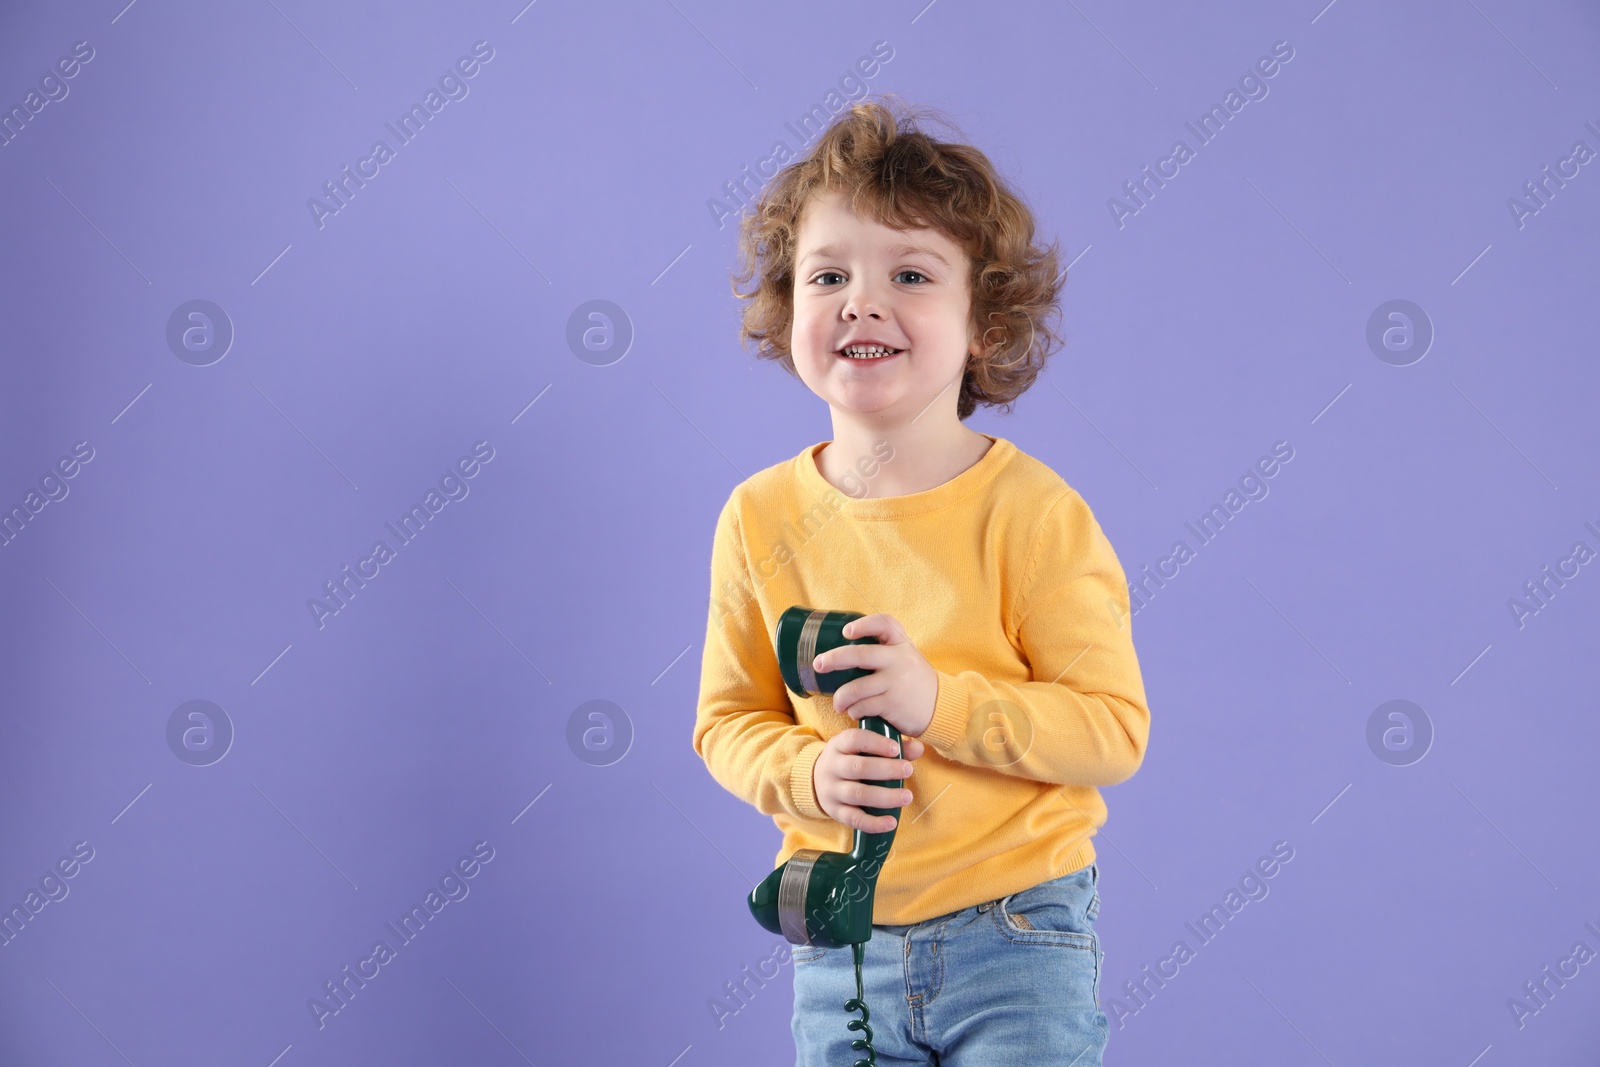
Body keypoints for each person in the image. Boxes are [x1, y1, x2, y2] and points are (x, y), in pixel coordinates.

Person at [693, 95, 1151, 1066]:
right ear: (788, 309)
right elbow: (727, 721)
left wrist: (934, 700)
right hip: (840, 941)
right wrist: (807, 774)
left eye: (909, 273)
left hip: (1016, 932)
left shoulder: (1031, 512)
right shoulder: (758, 516)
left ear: (983, 322)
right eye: (828, 275)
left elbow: (1111, 731)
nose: (862, 300)